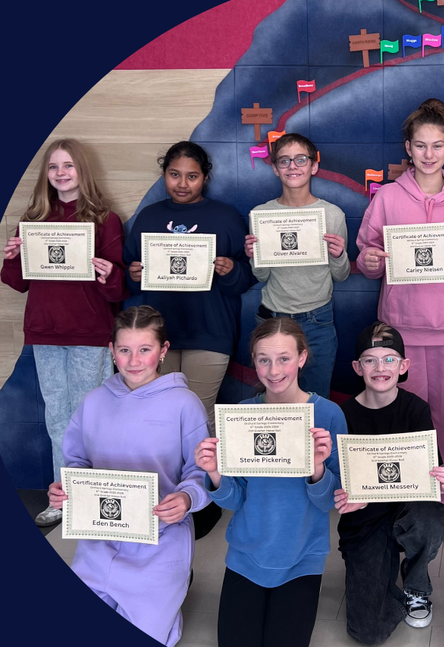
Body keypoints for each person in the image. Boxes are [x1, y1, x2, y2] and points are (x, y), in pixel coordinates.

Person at [356, 98, 444, 536]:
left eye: (437, 145)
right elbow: (365, 257)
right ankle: (407, 499)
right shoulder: (388, 197)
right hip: (401, 331)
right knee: (405, 421)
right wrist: (373, 261)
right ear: (408, 149)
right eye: (420, 145)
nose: (428, 153)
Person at [46, 306, 210, 647]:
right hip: (99, 542)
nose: (134, 360)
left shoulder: (185, 404)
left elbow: (201, 471)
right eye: (124, 350)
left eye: (145, 349)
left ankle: (172, 592)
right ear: (111, 351)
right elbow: (76, 462)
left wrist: (186, 498)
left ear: (163, 351)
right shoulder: (93, 403)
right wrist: (66, 490)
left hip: (160, 540)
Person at [195, 318, 346, 647]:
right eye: (263, 360)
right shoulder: (242, 414)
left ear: (302, 359)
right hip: (247, 555)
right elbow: (234, 500)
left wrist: (316, 469)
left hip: (301, 557)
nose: (273, 370)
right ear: (253, 361)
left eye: (283, 358)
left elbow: (331, 503)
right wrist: (215, 473)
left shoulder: (327, 415)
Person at [1, 138, 128, 527]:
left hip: (90, 332)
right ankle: (64, 497)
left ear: (82, 171)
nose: (60, 173)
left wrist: (109, 274)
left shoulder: (105, 219)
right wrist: (10, 258)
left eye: (68, 166)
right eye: (54, 167)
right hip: (45, 332)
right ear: (46, 175)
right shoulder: (34, 218)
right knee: (58, 419)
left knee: (92, 417)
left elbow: (119, 290)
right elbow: (18, 283)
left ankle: (99, 495)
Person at [333, 321, 444, 644]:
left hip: (408, 508)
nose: (380, 367)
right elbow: (337, 478)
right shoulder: (342, 415)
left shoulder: (416, 410)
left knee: (429, 518)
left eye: (389, 359)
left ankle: (416, 584)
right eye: (370, 360)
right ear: (358, 368)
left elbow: (431, 472)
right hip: (365, 518)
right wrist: (342, 495)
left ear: (403, 366)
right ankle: (376, 570)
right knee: (368, 632)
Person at [123, 140, 254, 432]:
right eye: (174, 174)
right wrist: (133, 275)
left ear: (205, 178)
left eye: (192, 176)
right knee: (158, 415)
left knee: (198, 416)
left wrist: (231, 270)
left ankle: (200, 479)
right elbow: (128, 276)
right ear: (164, 174)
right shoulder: (149, 217)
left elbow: (246, 279)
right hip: (157, 336)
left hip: (210, 333)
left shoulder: (225, 217)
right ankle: (167, 479)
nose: (182, 183)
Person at [244, 132, 350, 398]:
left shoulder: (332, 214)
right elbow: (262, 275)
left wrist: (339, 256)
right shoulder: (261, 215)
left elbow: (341, 276)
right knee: (276, 402)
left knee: (316, 402)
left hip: (318, 321)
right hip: (272, 319)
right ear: (275, 168)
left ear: (314, 165)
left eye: (300, 160)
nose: (293, 166)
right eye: (284, 161)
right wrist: (255, 256)